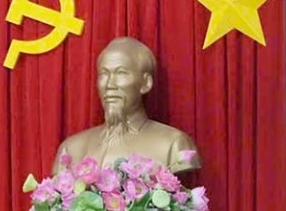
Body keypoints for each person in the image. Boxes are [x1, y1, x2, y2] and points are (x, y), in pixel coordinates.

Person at [52, 37, 200, 174]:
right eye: (104, 74)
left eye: (121, 73)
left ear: (146, 83)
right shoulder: (71, 149)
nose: (109, 84)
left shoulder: (173, 145)